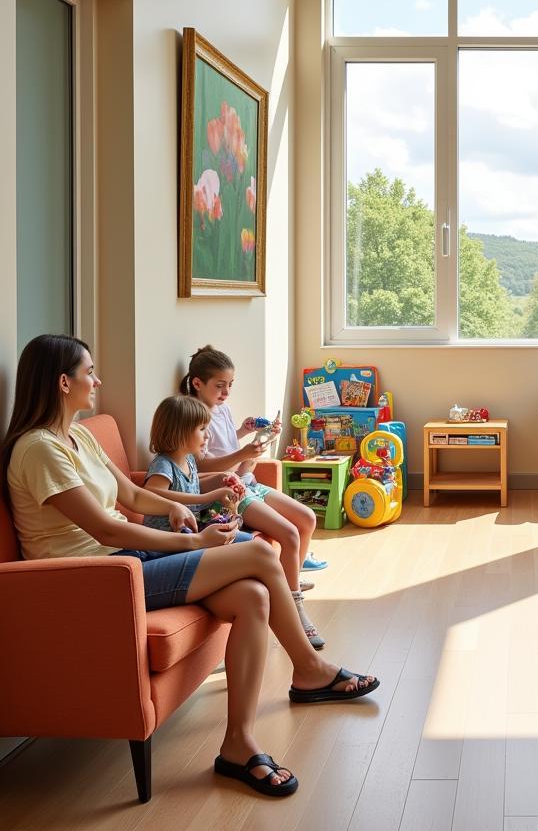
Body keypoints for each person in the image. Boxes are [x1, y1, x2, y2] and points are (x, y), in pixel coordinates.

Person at [1, 335, 379, 799]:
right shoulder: (39, 449)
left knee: (252, 595)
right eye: (90, 372)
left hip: (126, 564)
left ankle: (239, 744)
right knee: (261, 554)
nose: (97, 380)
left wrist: (189, 505)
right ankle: (310, 670)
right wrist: (197, 540)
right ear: (64, 382)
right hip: (94, 582)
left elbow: (135, 497)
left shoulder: (77, 435)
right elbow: (108, 530)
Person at [142, 394, 325, 649]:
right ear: (181, 433)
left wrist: (220, 481)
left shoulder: (189, 461)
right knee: (249, 549)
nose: (207, 436)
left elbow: (195, 485)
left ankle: (280, 602)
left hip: (194, 529)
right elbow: (151, 494)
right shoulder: (164, 464)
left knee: (252, 544)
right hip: (169, 544)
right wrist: (208, 495)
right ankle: (288, 610)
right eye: (202, 429)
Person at [182, 344, 327, 579]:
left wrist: (243, 431)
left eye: (230, 385)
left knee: (308, 518)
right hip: (228, 490)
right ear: (197, 384)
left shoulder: (222, 409)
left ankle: (292, 578)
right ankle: (291, 595)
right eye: (220, 386)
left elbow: (223, 443)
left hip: (246, 479)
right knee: (290, 532)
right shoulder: (193, 416)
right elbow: (199, 466)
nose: (226, 392)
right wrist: (243, 456)